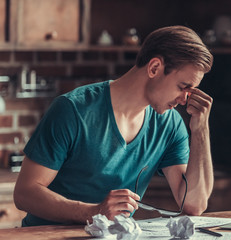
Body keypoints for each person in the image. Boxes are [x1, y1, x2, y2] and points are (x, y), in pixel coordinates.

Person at [13, 25, 214, 227]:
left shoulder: (170, 124)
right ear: (154, 68)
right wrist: (93, 212)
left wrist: (200, 130)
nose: (184, 100)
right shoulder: (72, 110)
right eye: (183, 87)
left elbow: (193, 205)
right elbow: (25, 194)